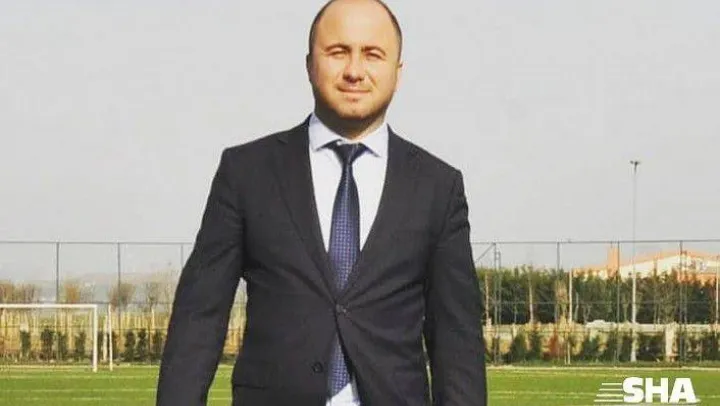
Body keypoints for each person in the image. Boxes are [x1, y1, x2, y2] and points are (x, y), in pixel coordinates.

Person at [156, 0, 487, 404]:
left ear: (397, 72)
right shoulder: (247, 173)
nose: (354, 70)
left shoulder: (438, 187)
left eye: (372, 54)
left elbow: (457, 341)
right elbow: (199, 319)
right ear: (310, 64)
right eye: (338, 52)